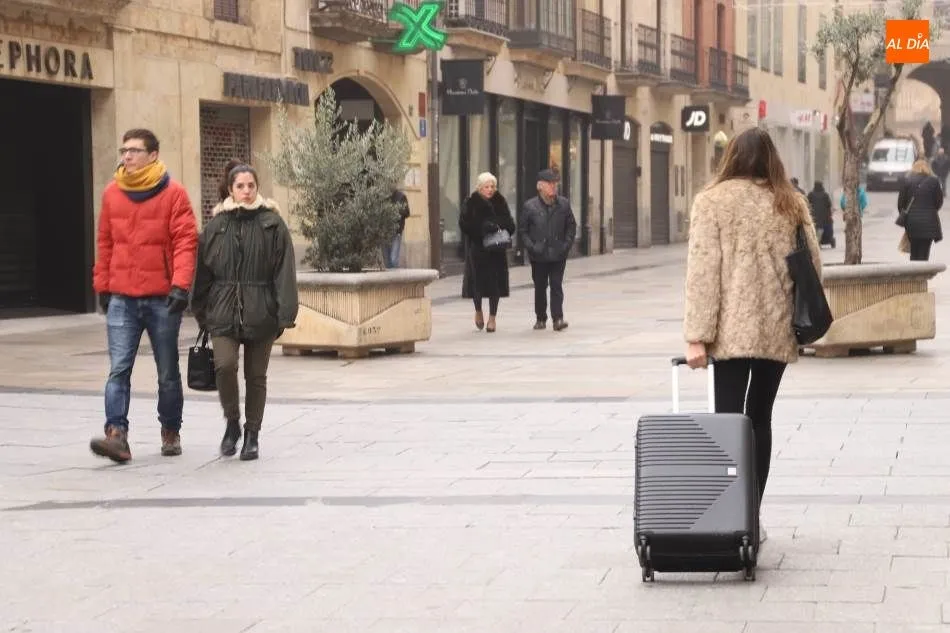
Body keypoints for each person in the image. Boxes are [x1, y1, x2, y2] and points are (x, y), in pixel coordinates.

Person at [683, 127, 822, 545]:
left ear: (732, 157)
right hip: (776, 328)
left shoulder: (711, 202)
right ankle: (752, 516)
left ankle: (730, 515)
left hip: (728, 331)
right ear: (771, 159)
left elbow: (702, 272)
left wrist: (697, 336)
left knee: (728, 421)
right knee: (759, 418)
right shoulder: (791, 202)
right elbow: (812, 266)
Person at [90, 128, 199, 463]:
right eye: (124, 150)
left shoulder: (174, 193)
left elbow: (185, 241)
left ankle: (170, 430)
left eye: (135, 151)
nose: (127, 156)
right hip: (122, 297)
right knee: (118, 369)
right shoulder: (112, 193)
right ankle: (116, 435)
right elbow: (106, 242)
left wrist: (181, 285)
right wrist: (103, 285)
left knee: (167, 371)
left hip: (161, 298)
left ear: (153, 155)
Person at [191, 164, 299, 460]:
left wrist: (284, 313)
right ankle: (232, 422)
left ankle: (253, 434)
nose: (247, 191)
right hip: (223, 312)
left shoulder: (273, 225)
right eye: (240, 186)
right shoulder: (215, 227)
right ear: (230, 189)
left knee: (256, 376)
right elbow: (202, 273)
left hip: (261, 310)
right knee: (224, 366)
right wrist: (201, 310)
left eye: (251, 185)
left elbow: (284, 271)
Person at [519, 169, 577, 332]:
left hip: (558, 252)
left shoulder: (563, 204)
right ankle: (540, 318)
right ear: (540, 187)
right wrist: (532, 246)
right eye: (550, 184)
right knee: (540, 286)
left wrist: (566, 245)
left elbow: (571, 226)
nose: (553, 187)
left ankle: (558, 318)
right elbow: (523, 231)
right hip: (539, 254)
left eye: (555, 184)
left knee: (556, 285)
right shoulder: (530, 206)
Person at [459, 172, 516, 332]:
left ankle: (492, 318)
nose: (490, 190)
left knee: (495, 285)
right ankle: (478, 311)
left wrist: (497, 224)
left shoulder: (500, 202)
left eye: (492, 186)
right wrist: (482, 228)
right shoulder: (471, 203)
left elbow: (510, 224)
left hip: (496, 251)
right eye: (486, 187)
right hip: (478, 250)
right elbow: (464, 224)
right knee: (477, 284)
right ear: (479, 188)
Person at [897, 158, 944, 262]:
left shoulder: (907, 180)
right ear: (928, 168)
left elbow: (901, 204)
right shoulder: (934, 181)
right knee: (924, 253)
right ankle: (923, 276)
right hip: (929, 224)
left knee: (914, 251)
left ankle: (915, 276)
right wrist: (930, 210)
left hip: (912, 223)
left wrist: (906, 217)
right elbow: (939, 202)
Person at [384, 188, 410, 268]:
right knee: (387, 261)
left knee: (393, 259)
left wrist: (396, 211)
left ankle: (394, 277)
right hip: (384, 232)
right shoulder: (383, 197)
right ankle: (389, 279)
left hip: (396, 231)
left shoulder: (401, 197)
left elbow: (407, 213)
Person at [807, 181, 835, 248]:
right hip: (824, 216)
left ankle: (816, 241)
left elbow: (807, 204)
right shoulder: (825, 195)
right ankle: (818, 241)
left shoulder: (811, 194)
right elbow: (829, 205)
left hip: (813, 215)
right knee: (821, 228)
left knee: (815, 228)